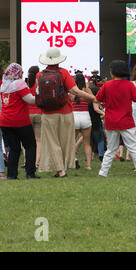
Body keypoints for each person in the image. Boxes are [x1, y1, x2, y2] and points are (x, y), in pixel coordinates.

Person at [37, 48, 97, 178]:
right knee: (65, 142)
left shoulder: (39, 75)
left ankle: (60, 170)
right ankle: (62, 169)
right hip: (65, 112)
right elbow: (76, 91)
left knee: (52, 142)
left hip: (47, 113)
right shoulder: (63, 73)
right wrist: (92, 98)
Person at [0, 63, 39, 180]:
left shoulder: (3, 85)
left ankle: (11, 175)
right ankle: (30, 173)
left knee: (14, 148)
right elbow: (30, 100)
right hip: (20, 120)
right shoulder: (20, 84)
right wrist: (41, 97)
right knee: (30, 146)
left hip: (5, 121)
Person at [70, 72, 95, 170]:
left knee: (71, 142)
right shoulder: (87, 90)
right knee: (87, 143)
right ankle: (88, 165)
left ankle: (74, 159)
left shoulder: (72, 91)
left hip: (74, 116)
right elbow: (93, 99)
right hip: (85, 116)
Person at [27, 66, 42, 169]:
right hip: (39, 113)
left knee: (27, 140)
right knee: (39, 140)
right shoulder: (39, 83)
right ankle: (37, 162)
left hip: (27, 114)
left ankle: (26, 161)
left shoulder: (25, 83)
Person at [88, 77, 105, 162]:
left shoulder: (85, 94)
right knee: (100, 139)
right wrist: (104, 113)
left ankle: (87, 158)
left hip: (88, 120)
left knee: (89, 141)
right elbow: (97, 108)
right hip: (96, 120)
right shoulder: (97, 95)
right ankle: (101, 155)